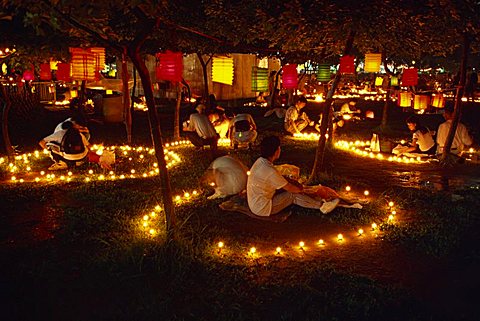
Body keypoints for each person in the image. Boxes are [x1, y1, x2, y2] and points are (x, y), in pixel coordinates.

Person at [247, 135, 339, 217]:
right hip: (263, 208)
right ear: (276, 151)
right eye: (279, 148)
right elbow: (290, 188)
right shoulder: (270, 170)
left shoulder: (260, 161)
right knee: (292, 195)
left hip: (255, 203)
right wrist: (303, 190)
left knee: (291, 190)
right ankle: (322, 206)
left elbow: (281, 179)